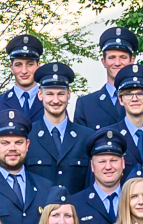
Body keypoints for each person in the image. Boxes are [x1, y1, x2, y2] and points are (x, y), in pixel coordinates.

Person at [75, 24, 143, 129]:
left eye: (123, 57)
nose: (117, 63)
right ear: (104, 62)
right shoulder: (86, 104)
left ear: (132, 61)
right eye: (112, 57)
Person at [25, 63, 95, 193]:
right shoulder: (27, 136)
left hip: (75, 211)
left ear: (69, 94)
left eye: (60, 94)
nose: (55, 100)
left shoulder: (86, 137)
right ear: (40, 95)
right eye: (50, 94)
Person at [100, 63, 143, 181]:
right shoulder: (110, 137)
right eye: (128, 94)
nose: (134, 99)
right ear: (120, 100)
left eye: (140, 94)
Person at [67, 129, 129, 224]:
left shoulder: (134, 201)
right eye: (102, 161)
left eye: (113, 160)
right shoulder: (75, 204)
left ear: (123, 163)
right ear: (92, 166)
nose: (108, 167)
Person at [0, 32, 49, 131]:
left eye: (30, 64)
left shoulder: (51, 101)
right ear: (11, 67)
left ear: (38, 66)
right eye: (18, 65)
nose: (24, 71)